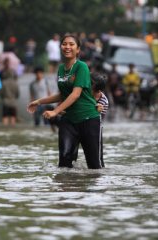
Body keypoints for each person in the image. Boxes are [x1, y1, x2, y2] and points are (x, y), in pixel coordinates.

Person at [28, 34, 102, 169]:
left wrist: (55, 111)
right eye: (64, 44)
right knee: (64, 165)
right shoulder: (61, 69)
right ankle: (66, 188)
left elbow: (75, 94)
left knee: (94, 166)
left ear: (78, 49)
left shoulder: (82, 67)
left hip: (89, 119)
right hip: (69, 120)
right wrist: (39, 101)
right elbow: (63, 94)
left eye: (71, 44)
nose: (67, 47)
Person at [29, 66, 56, 131]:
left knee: (46, 121)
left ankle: (46, 133)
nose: (38, 75)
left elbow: (49, 93)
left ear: (42, 73)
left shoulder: (46, 82)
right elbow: (32, 95)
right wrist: (32, 105)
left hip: (45, 104)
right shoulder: (32, 84)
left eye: (40, 73)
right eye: (37, 73)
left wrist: (51, 104)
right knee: (36, 121)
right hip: (36, 105)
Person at [91, 72, 109, 167]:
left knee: (98, 156)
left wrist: (96, 110)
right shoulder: (85, 94)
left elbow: (99, 119)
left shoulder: (104, 101)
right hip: (80, 124)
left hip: (96, 128)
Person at [0, 58, 19, 126]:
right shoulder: (15, 83)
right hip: (13, 102)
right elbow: (17, 94)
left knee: (5, 117)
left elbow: (1, 94)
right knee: (13, 117)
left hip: (5, 102)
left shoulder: (3, 83)